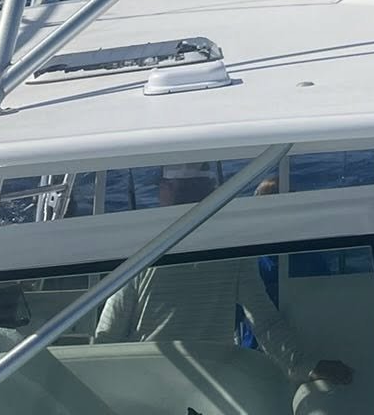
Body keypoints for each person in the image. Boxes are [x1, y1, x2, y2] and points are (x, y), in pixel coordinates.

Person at [93, 169, 352, 394]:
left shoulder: (143, 249)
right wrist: (304, 366)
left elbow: (108, 336)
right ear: (211, 191)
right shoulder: (232, 250)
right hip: (210, 389)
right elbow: (264, 322)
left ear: (167, 190)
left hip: (147, 385)